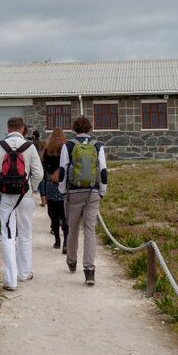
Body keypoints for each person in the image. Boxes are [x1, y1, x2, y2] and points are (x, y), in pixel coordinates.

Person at [0, 117, 44, 291]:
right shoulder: (30, 147)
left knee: (7, 235)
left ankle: (10, 280)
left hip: (6, 196)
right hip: (24, 195)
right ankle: (24, 273)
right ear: (23, 128)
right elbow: (38, 173)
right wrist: (32, 188)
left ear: (8, 128)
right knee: (25, 233)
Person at [59, 116, 108, 286]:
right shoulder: (98, 145)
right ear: (89, 128)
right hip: (93, 192)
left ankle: (72, 261)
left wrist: (63, 190)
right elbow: (103, 170)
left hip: (74, 192)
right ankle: (89, 270)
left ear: (74, 129)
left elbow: (63, 169)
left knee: (73, 228)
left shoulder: (69, 145)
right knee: (90, 229)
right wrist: (102, 191)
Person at [40, 128, 68, 252]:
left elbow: (44, 165)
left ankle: (57, 240)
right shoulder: (66, 148)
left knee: (53, 214)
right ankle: (66, 242)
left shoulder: (47, 150)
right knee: (65, 215)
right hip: (63, 185)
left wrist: (52, 175)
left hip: (51, 185)